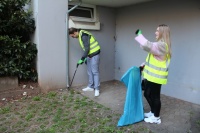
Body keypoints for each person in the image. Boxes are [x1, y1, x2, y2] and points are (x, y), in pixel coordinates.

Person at [134, 24, 172, 124]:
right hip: (150, 76)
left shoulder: (162, 45)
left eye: (157, 30)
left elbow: (148, 46)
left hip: (156, 77)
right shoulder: (159, 44)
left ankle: (156, 117)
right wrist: (144, 65)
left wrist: (140, 35)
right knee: (146, 94)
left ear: (163, 33)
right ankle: (153, 112)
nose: (155, 32)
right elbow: (152, 56)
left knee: (155, 97)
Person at [68, 27, 101, 97]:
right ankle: (90, 87)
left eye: (72, 36)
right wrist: (86, 57)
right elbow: (86, 49)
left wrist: (82, 58)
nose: (73, 37)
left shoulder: (84, 36)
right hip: (89, 55)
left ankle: (97, 89)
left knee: (95, 72)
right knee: (89, 71)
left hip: (95, 54)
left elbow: (87, 48)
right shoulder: (80, 35)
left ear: (74, 33)